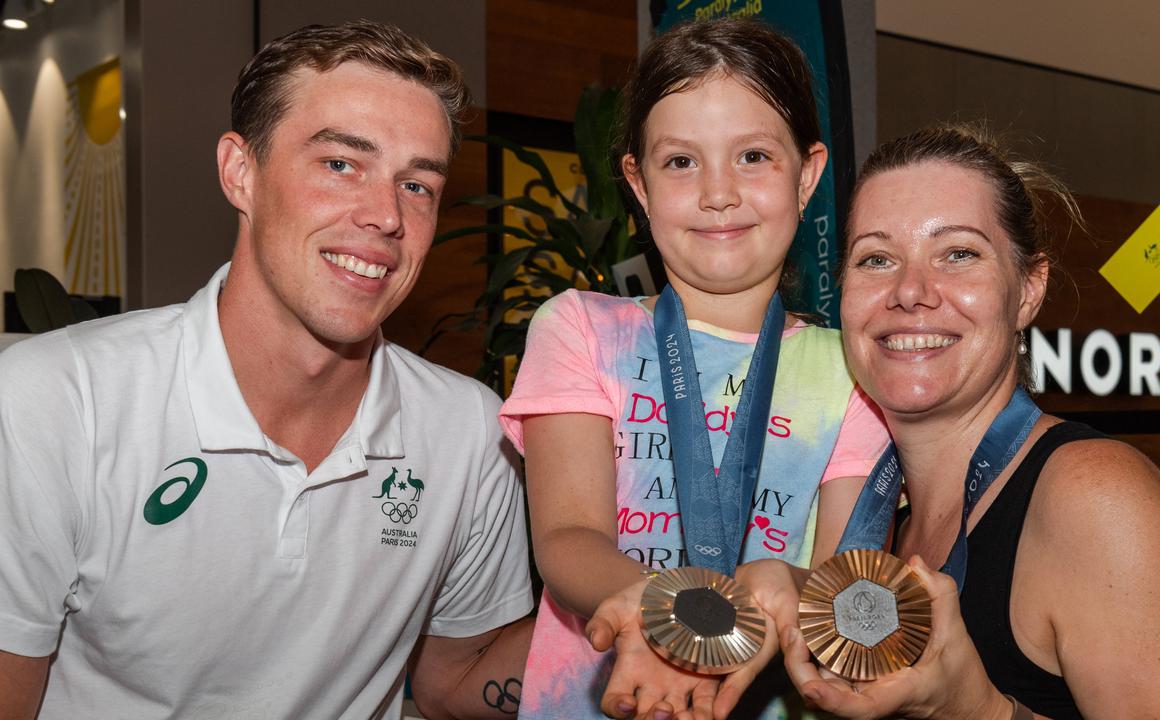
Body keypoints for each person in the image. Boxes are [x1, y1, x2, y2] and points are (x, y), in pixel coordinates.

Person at [0, 21, 533, 719]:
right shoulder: (57, 399)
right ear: (240, 172)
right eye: (341, 164)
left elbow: (450, 685)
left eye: (417, 184)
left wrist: (637, 589)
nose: (385, 216)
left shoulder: (468, 431)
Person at [779, 124, 1160, 719]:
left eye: (958, 253)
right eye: (876, 258)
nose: (909, 291)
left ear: (1029, 290)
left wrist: (978, 710)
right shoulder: (872, 522)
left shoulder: (1093, 498)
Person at [497, 18, 889, 720]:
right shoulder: (580, 328)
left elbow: (845, 593)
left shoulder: (855, 371)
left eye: (754, 157)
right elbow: (566, 538)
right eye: (681, 162)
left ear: (808, 176)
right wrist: (665, 611)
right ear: (638, 183)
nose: (718, 192)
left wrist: (790, 586)